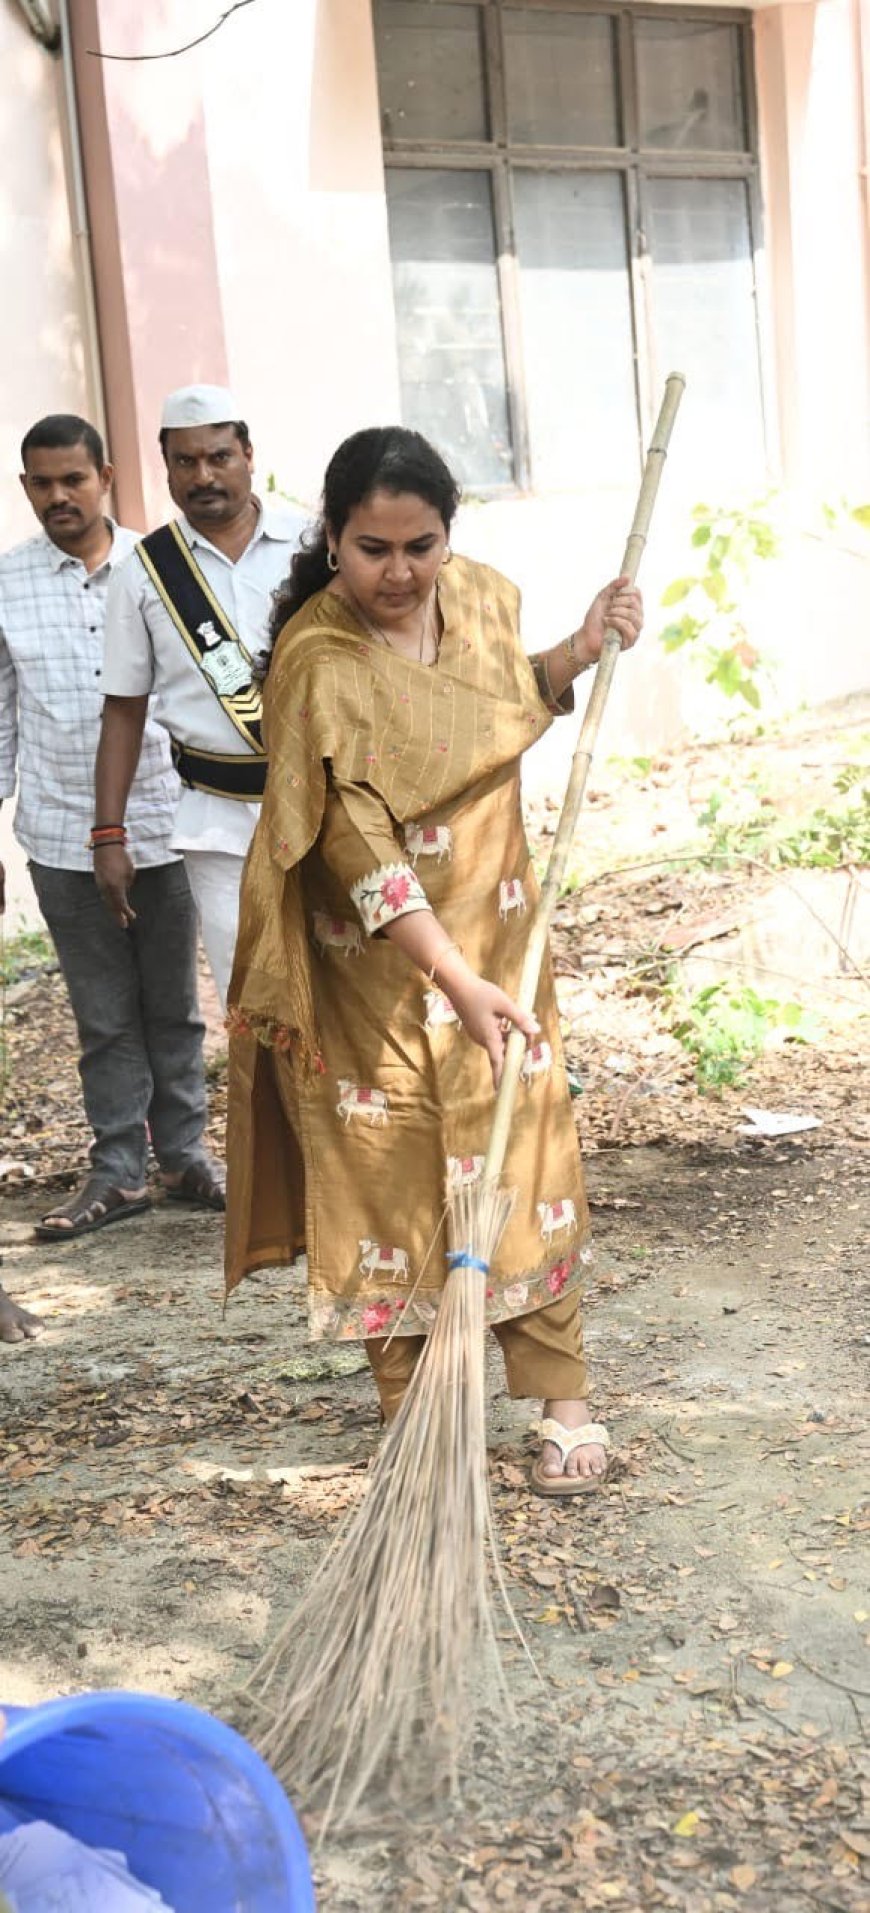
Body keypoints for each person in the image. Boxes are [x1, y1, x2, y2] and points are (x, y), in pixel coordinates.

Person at [224, 427, 643, 1496]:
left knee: (528, 1155)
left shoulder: (488, 601)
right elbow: (354, 846)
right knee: (391, 1168)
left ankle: (564, 1398)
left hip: (502, 927)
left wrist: (581, 648)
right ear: (330, 537)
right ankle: (421, 1416)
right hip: (379, 968)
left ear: (450, 537)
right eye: (372, 548)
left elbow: (508, 707)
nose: (399, 573)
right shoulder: (316, 663)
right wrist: (452, 978)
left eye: (421, 545)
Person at [0, 414, 224, 1241]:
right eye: (42, 483)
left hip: (168, 822)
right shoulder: (7, 582)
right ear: (27, 489)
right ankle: (119, 1169)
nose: (60, 496)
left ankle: (186, 1153)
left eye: (74, 479)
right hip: (59, 832)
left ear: (107, 476)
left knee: (174, 1003)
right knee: (102, 1012)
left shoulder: (163, 567)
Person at [95, 385, 307, 1006]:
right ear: (165, 468)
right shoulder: (143, 571)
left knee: (343, 987)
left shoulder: (315, 545)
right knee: (252, 999)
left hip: (324, 805)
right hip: (217, 824)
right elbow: (124, 708)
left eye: (219, 457)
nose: (203, 475)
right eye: (185, 462)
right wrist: (108, 834)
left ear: (248, 453)